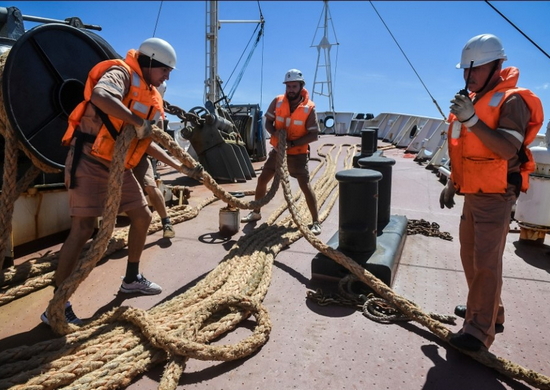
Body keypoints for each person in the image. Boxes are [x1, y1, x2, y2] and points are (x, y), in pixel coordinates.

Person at [41, 37, 179, 325]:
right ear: (150, 62)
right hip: (90, 159)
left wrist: (182, 165)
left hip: (117, 165)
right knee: (82, 230)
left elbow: (145, 140)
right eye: (165, 70)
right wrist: (137, 121)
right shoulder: (121, 73)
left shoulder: (150, 93)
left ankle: (132, 278)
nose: (167, 76)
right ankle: (57, 304)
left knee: (142, 215)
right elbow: (102, 96)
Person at [440, 34, 543, 351]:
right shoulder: (472, 101)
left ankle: (478, 331)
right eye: (466, 70)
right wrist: (451, 183)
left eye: (477, 69)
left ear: (498, 66)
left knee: (485, 261)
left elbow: (506, 147)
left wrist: (471, 118)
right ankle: (488, 313)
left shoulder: (511, 100)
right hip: (473, 191)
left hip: (496, 193)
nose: (469, 76)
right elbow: (462, 151)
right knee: (471, 257)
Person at [241, 69, 321, 236]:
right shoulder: (277, 101)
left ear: (301, 86)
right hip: (278, 151)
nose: (291, 89)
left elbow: (314, 134)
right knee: (262, 179)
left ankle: (315, 221)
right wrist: (275, 133)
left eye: (294, 86)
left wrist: (292, 143)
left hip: (298, 154)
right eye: (288, 86)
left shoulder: (310, 108)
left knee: (305, 186)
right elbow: (268, 123)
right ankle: (256, 212)